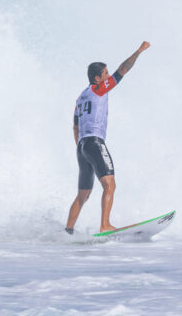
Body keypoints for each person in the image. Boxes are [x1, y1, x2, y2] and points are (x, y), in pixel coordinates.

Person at [65, 41, 151, 234]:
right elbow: (123, 69)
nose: (108, 77)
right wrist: (139, 51)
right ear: (97, 78)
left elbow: (75, 126)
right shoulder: (99, 88)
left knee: (83, 195)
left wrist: (81, 147)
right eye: (105, 74)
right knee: (109, 184)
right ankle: (105, 225)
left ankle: (68, 231)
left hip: (82, 146)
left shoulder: (80, 98)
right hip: (95, 142)